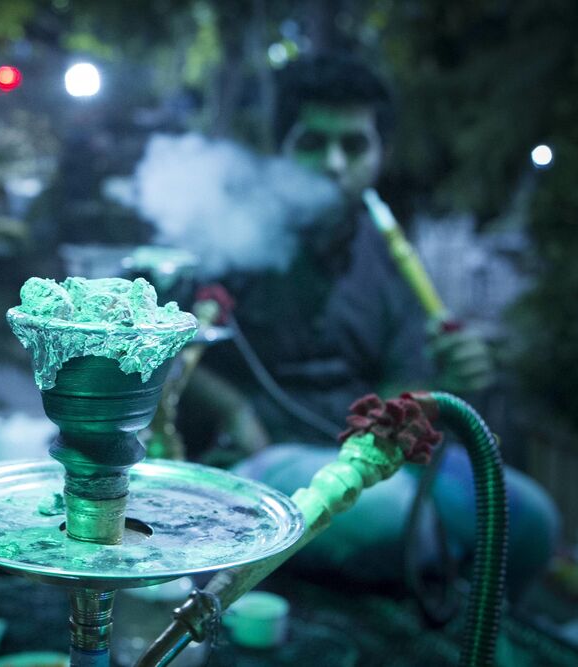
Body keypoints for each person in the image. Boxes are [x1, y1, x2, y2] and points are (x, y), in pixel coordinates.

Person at [179, 53, 560, 601]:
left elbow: (403, 380)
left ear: (381, 154)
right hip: (262, 456)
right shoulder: (234, 234)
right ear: (281, 149)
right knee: (393, 518)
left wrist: (446, 380)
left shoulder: (389, 257)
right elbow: (170, 350)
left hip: (365, 453)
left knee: (530, 521)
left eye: (354, 145)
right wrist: (233, 408)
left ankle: (478, 631)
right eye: (313, 143)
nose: (334, 164)